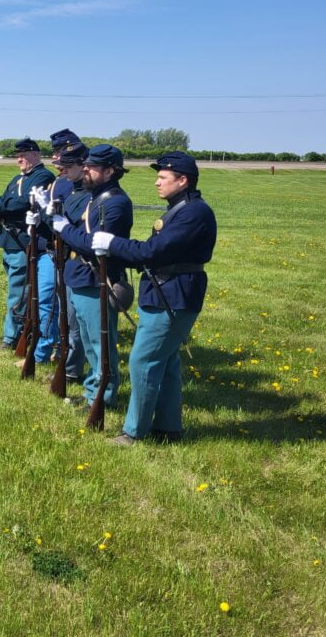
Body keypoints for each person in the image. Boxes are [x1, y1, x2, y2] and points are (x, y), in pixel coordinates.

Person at [91, 151, 217, 444]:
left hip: (174, 293)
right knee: (167, 361)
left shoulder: (193, 212)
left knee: (143, 360)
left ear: (183, 180)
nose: (157, 183)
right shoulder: (180, 209)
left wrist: (114, 243)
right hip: (164, 289)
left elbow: (153, 251)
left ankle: (134, 432)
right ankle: (168, 428)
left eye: (163, 177)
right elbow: (153, 249)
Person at [39, 144, 133, 410]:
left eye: (92, 167)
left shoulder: (116, 202)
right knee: (90, 343)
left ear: (110, 171)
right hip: (79, 275)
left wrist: (64, 228)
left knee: (100, 343)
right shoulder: (95, 198)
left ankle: (103, 397)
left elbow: (92, 243)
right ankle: (94, 390)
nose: (87, 170)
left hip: (96, 279)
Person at [0, 137, 55, 352]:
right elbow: (7, 201)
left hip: (23, 241)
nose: (19, 160)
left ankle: (12, 336)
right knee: (15, 289)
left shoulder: (42, 176)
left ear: (35, 155)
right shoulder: (18, 178)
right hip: (10, 241)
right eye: (17, 156)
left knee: (19, 292)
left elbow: (21, 203)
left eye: (23, 155)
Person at [45, 133, 90, 386]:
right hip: (68, 259)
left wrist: (59, 223)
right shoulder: (71, 189)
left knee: (77, 326)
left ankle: (74, 370)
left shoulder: (88, 195)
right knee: (69, 320)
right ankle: (70, 366)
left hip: (82, 265)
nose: (63, 168)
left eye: (69, 165)